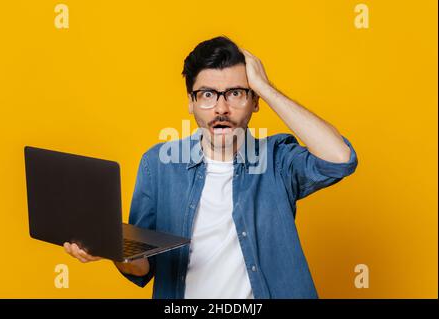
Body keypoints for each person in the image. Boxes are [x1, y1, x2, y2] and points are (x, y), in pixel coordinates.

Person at [64, 36, 358, 299]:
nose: (221, 109)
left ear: (255, 101)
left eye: (235, 93)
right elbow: (143, 266)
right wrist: (112, 247)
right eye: (207, 95)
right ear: (190, 103)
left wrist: (267, 89)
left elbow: (340, 159)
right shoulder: (157, 164)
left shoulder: (277, 159)